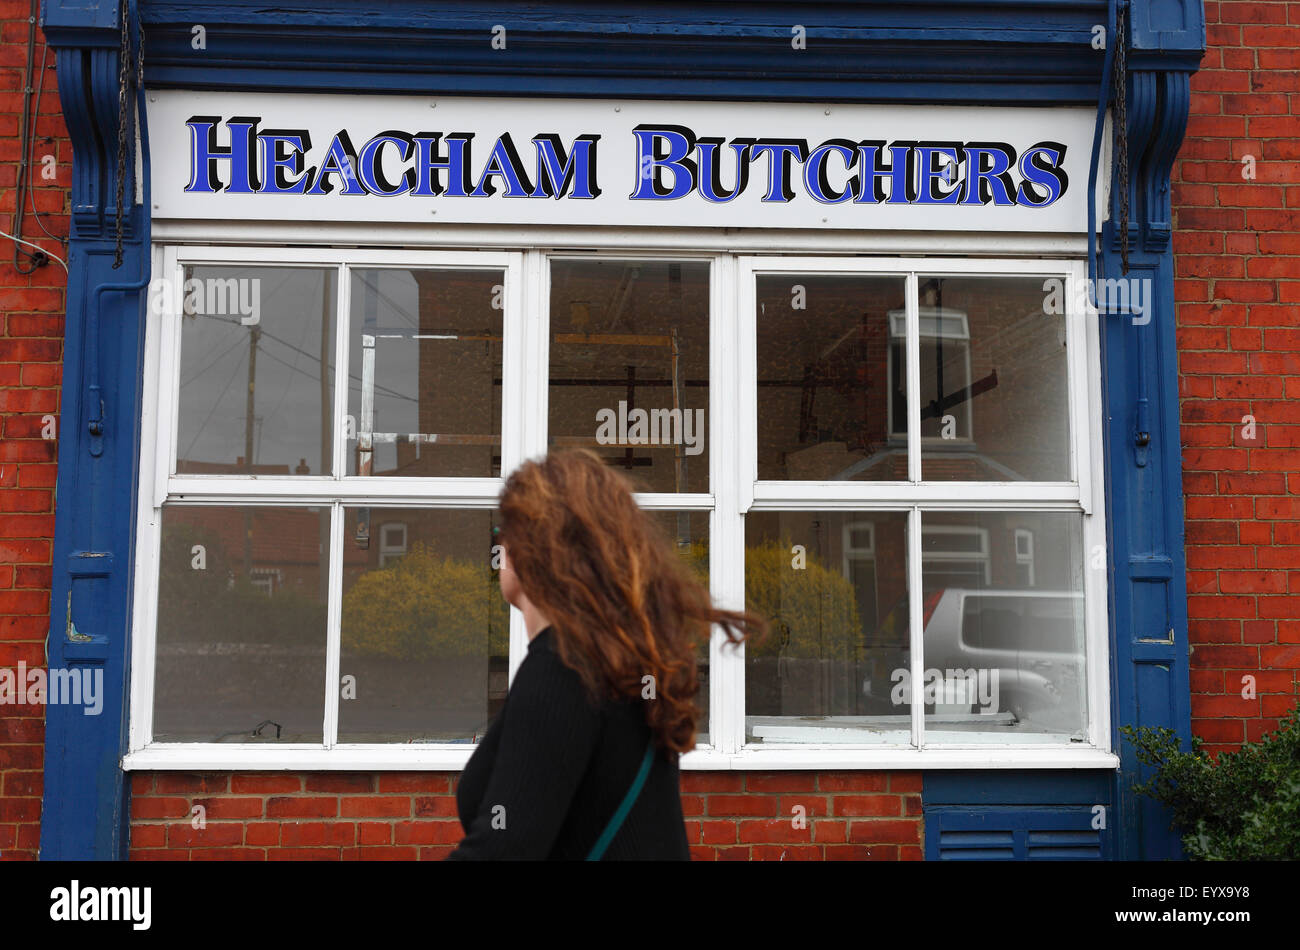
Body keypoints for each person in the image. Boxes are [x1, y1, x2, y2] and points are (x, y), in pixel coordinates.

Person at [445, 449, 764, 860]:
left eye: (503, 529)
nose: (498, 543)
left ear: (531, 547)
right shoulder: (619, 663)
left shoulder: (563, 667)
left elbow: (503, 849)